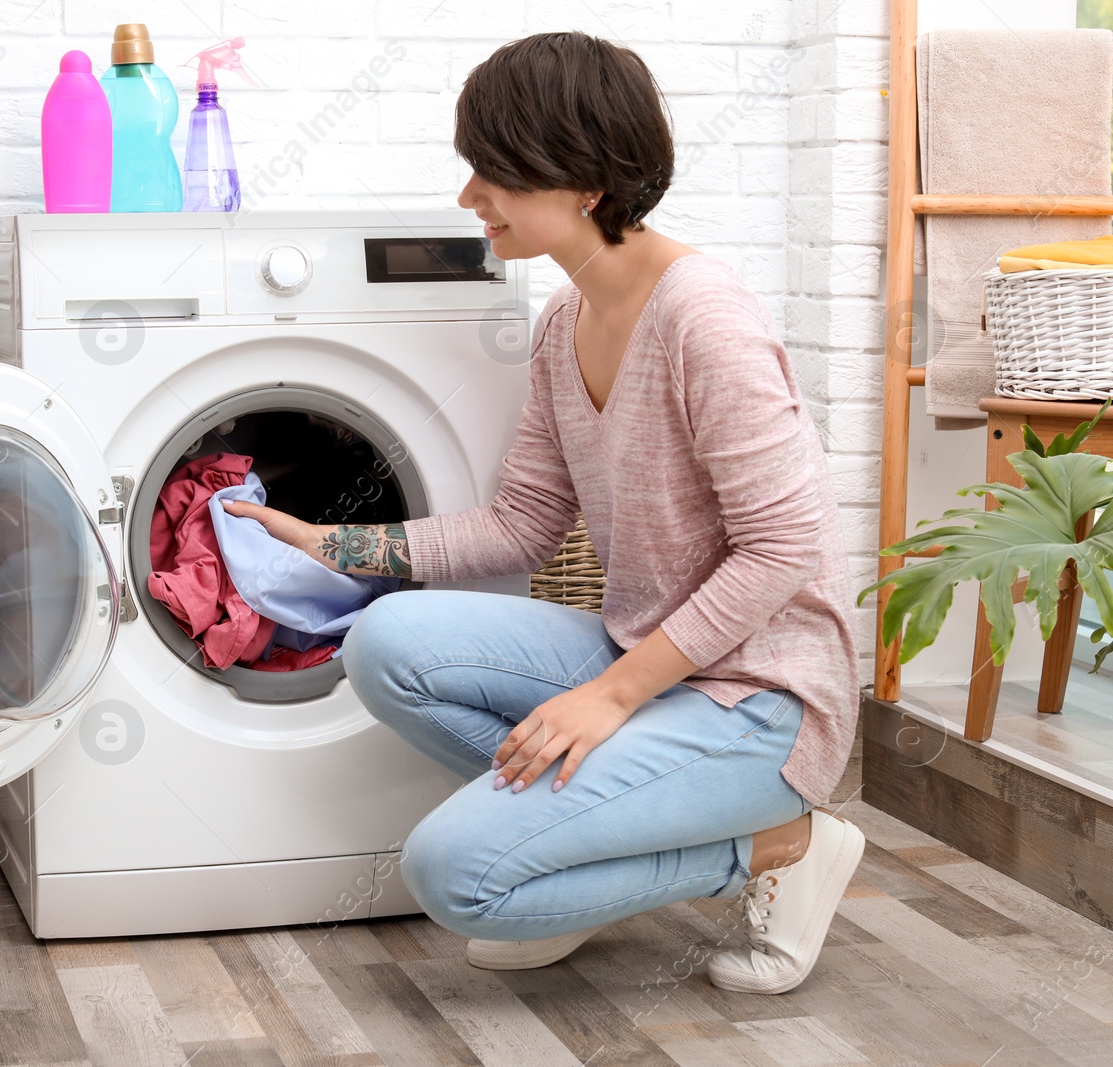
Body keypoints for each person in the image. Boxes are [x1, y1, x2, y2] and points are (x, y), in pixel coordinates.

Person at [220, 31, 863, 995]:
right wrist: (331, 542)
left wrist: (611, 696)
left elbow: (782, 547)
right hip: (644, 653)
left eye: (494, 172)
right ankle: (562, 849)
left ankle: (782, 843)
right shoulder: (566, 324)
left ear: (586, 185)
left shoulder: (706, 319)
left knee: (454, 874)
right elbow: (522, 521)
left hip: (758, 701)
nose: (469, 197)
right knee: (385, 641)